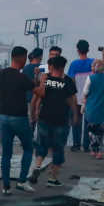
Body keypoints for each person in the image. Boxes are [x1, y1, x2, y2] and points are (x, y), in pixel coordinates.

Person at [29, 54, 79, 187]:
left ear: (52, 66)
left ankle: (38, 166)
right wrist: (75, 115)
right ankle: (52, 178)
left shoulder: (46, 80)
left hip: (44, 117)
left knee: (42, 146)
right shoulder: (67, 81)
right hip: (61, 119)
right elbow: (71, 100)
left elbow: (39, 96)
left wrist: (34, 112)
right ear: (63, 67)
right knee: (58, 148)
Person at [0, 45, 36, 194]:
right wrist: (42, 78)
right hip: (19, 118)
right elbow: (39, 91)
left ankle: (5, 187)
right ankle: (22, 181)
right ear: (22, 58)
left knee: (6, 152)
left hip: (3, 116)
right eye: (25, 58)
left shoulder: (1, 74)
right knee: (29, 148)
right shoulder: (22, 77)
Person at [66, 40, 95, 151]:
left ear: (78, 50)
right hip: (89, 97)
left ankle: (77, 145)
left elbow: (71, 80)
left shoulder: (74, 64)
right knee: (88, 122)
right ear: (88, 50)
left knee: (76, 120)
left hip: (77, 96)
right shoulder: (93, 62)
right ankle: (86, 146)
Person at [82, 55, 104, 159]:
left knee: (92, 130)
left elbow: (85, 92)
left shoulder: (90, 78)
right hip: (103, 108)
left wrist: (84, 103)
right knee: (100, 131)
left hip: (91, 108)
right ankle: (98, 151)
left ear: (94, 67)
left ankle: (94, 149)